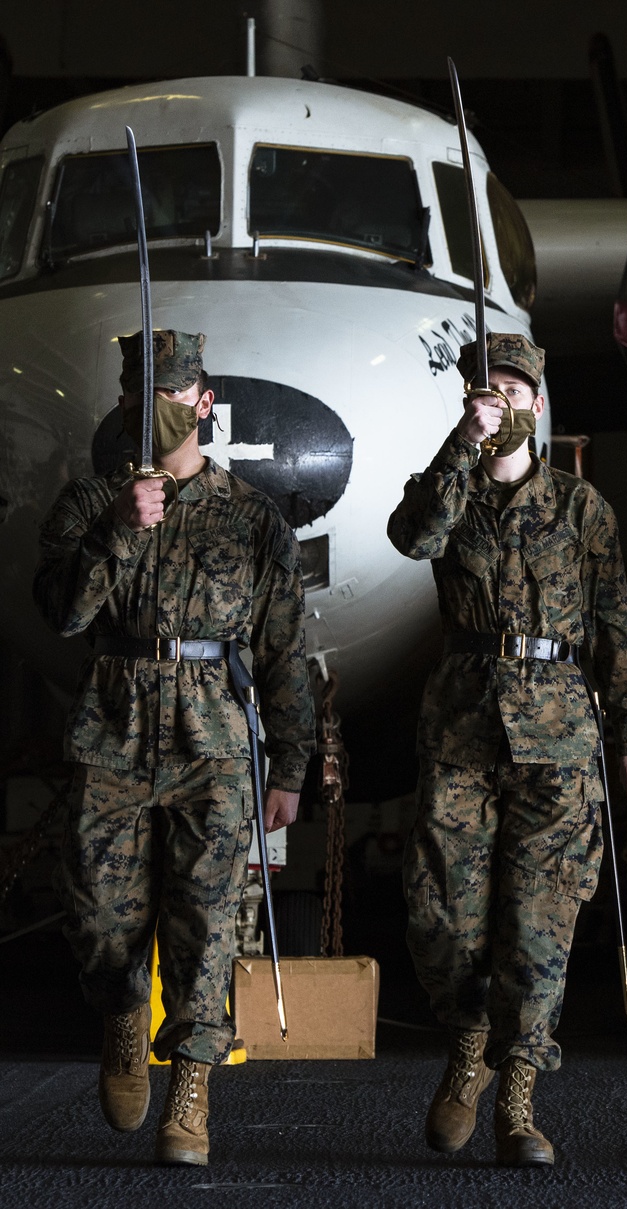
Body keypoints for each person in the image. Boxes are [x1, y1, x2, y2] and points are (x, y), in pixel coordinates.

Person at [33, 330, 315, 1166]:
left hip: (214, 742)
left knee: (207, 925)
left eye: (173, 392)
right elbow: (66, 616)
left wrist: (290, 764)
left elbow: (284, 650)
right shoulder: (89, 505)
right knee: (97, 919)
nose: (155, 408)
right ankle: (122, 1014)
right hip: (112, 730)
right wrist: (121, 528)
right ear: (124, 407)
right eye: (140, 395)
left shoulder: (254, 517)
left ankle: (189, 1089)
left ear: (203, 402)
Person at [387, 332, 627, 1167]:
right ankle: (466, 1046)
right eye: (484, 390)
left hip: (560, 737)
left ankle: (519, 1099)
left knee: (540, 925)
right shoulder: (446, 489)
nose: (499, 401)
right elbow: (413, 538)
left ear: (537, 403)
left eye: (512, 389)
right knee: (442, 918)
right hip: (462, 731)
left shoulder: (582, 508)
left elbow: (613, 632)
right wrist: (462, 443)